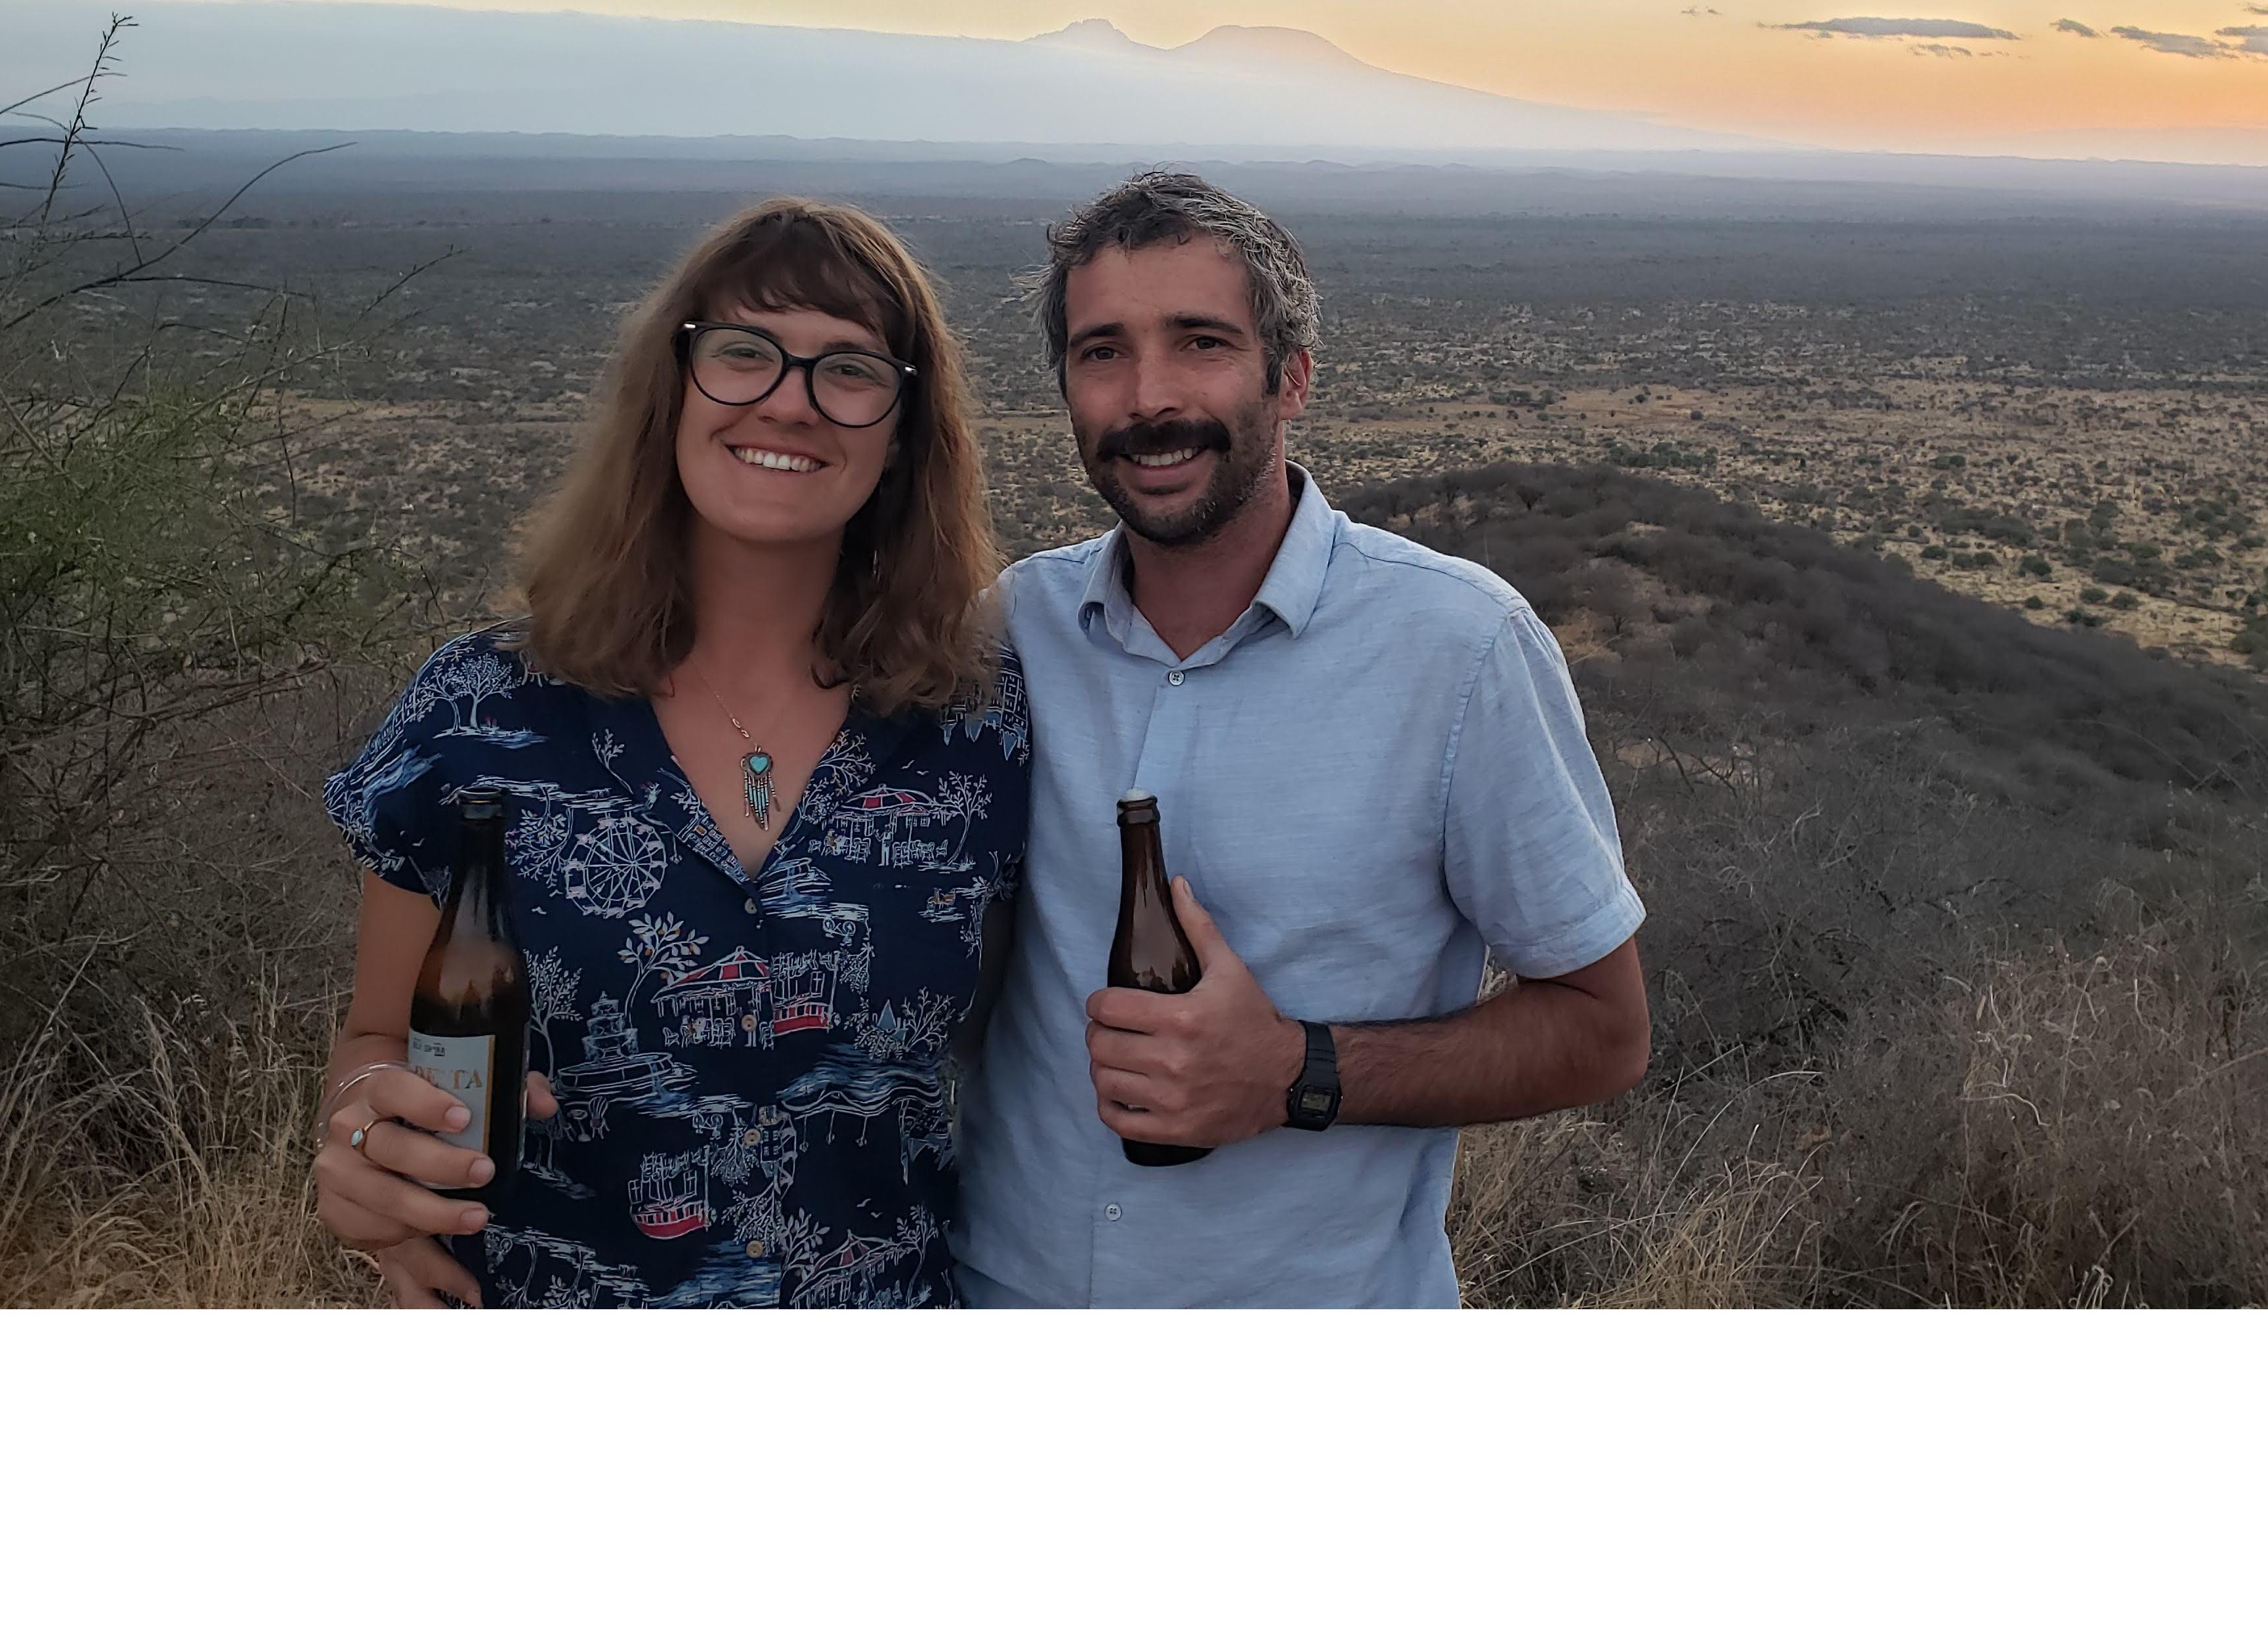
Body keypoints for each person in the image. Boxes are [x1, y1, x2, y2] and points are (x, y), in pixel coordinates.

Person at [314, 199, 1028, 1308]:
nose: (790, 402)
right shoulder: (476, 713)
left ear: (901, 434)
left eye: (849, 370)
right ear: (672, 390)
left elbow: (1014, 1048)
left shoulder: (978, 729)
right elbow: (379, 1035)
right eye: (744, 352)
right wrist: (366, 1131)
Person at [953, 171, 1648, 1308]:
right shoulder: (1011, 631)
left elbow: (1604, 1031)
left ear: (1292, 378)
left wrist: (1296, 1071)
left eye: (1201, 343)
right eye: (1103, 352)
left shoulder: (1459, 651)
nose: (1149, 397)